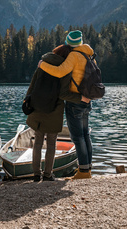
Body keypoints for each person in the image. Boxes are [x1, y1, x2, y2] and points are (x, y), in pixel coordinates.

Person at [38, 30, 94, 179]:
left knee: (78, 137)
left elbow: (60, 72)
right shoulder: (89, 55)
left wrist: (42, 65)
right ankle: (87, 168)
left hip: (74, 101)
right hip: (87, 101)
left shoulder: (74, 56)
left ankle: (83, 171)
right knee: (86, 135)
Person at [25, 44, 82, 182]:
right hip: (54, 111)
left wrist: (27, 101)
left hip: (37, 107)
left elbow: (32, 85)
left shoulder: (43, 64)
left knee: (37, 142)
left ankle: (36, 174)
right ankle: (48, 174)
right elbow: (63, 94)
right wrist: (80, 98)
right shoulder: (65, 69)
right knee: (51, 143)